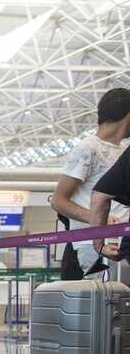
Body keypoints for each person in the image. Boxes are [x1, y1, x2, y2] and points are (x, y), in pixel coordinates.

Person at [51, 88, 130, 273]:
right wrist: (100, 220)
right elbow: (59, 201)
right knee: (97, 299)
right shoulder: (88, 148)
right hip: (89, 248)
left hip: (119, 245)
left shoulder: (125, 149)